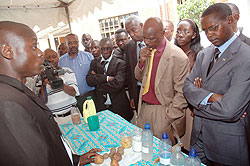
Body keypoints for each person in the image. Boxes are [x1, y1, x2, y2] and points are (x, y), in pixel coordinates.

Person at [0, 21, 100, 166]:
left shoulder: (17, 91)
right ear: (7, 51)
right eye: (34, 46)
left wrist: (75, 160)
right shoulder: (8, 104)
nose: (40, 53)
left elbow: (47, 146)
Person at [183, 3, 250, 165]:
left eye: (213, 28)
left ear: (230, 20)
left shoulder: (245, 56)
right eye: (205, 30)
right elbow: (187, 86)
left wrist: (198, 100)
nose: (209, 34)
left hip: (226, 146)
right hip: (198, 138)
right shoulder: (204, 54)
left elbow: (229, 111)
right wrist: (212, 97)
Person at [134, 17, 190, 144]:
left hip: (163, 112)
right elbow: (138, 77)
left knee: (162, 157)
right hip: (144, 109)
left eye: (151, 38)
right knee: (144, 149)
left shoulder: (178, 57)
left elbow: (182, 93)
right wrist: (141, 61)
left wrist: (168, 116)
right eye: (145, 38)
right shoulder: (147, 51)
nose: (146, 42)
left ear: (162, 33)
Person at [86, 38, 133, 121]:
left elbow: (117, 84)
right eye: (102, 49)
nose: (105, 51)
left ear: (113, 49)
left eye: (108, 48)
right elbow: (89, 80)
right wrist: (106, 78)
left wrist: (98, 84)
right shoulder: (94, 62)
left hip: (119, 108)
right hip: (102, 107)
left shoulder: (120, 64)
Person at [58, 33, 94, 113]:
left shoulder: (88, 57)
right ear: (66, 44)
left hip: (89, 96)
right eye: (70, 43)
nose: (73, 45)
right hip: (72, 100)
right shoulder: (61, 61)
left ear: (78, 43)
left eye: (75, 42)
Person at [43, 48, 80, 116]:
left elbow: (74, 92)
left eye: (54, 57)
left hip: (72, 114)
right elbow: (41, 101)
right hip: (55, 118)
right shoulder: (40, 77)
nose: (51, 60)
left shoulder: (67, 71)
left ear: (58, 57)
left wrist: (59, 83)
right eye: (48, 57)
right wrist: (43, 84)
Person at [125, 16, 145, 112]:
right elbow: (129, 73)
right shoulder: (129, 46)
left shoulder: (153, 43)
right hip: (137, 90)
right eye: (129, 32)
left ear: (141, 26)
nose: (131, 35)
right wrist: (132, 96)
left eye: (134, 30)